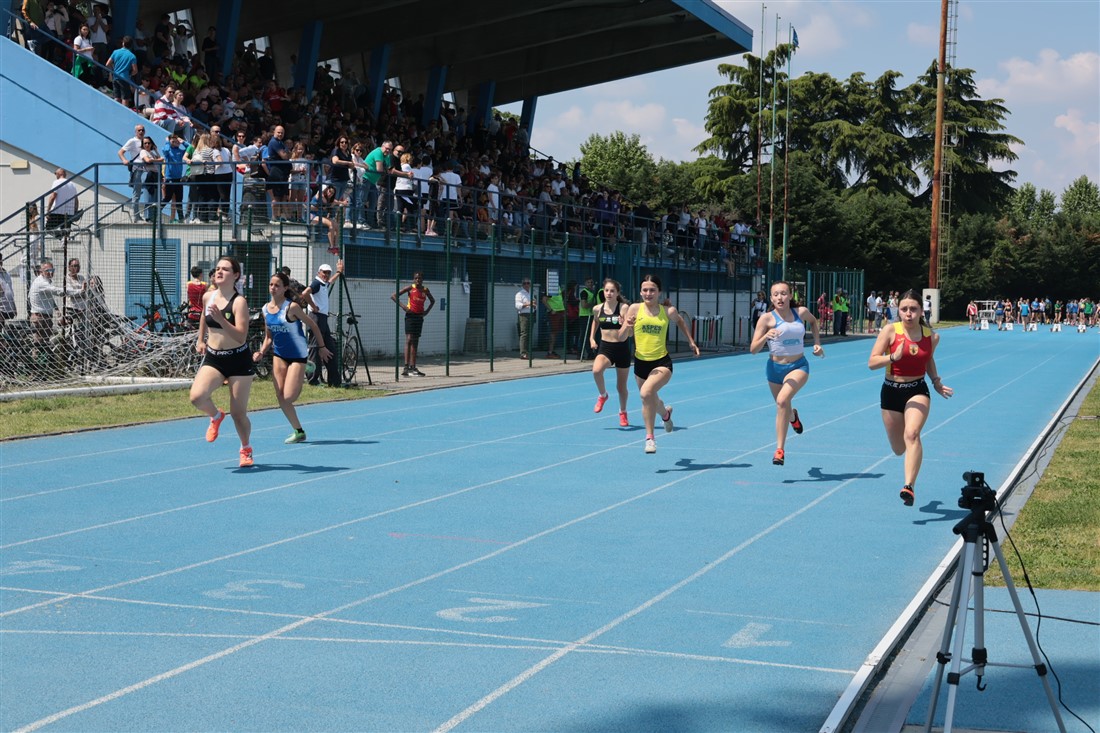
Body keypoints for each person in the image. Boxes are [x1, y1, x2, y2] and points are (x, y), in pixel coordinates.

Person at [868, 289, 953, 506]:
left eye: (913, 309)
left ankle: (909, 486)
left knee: (912, 434)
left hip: (917, 390)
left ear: (921, 311)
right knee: (899, 449)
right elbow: (872, 362)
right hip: (891, 391)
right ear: (899, 311)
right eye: (904, 309)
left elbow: (928, 359)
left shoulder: (931, 336)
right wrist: (892, 357)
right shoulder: (890, 331)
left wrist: (936, 382)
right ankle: (908, 457)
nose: (908, 313)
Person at [620, 274, 699, 454]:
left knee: (646, 393)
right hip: (640, 363)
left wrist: (691, 341)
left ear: (659, 292)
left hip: (662, 363)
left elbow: (680, 321)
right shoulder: (634, 309)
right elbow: (623, 337)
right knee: (651, 398)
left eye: (652, 290)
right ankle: (665, 414)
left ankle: (650, 438)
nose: (648, 293)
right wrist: (627, 326)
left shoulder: (667, 311)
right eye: (645, 290)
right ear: (640, 292)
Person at [189, 256, 256, 468]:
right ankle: (216, 416)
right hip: (215, 358)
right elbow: (204, 317)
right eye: (217, 268)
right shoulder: (208, 297)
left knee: (238, 414)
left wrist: (221, 320)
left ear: (235, 275)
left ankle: (245, 448)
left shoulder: (239, 302)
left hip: (238, 360)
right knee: (197, 397)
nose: (219, 272)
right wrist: (200, 339)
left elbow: (241, 336)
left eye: (225, 269)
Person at [749, 280, 824, 466]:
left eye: (783, 293)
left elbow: (813, 322)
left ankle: (780, 450)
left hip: (798, 366)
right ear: (771, 298)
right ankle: (793, 417)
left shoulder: (800, 312)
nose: (780, 298)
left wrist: (817, 344)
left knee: (782, 401)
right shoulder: (766, 319)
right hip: (774, 369)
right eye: (775, 294)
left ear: (790, 295)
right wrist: (765, 336)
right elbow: (753, 349)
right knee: (784, 406)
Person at [254, 271, 332, 444]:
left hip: (298, 355)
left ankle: (305, 366)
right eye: (271, 285)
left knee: (289, 396)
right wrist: (261, 352)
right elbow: (268, 337)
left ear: (285, 288)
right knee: (280, 396)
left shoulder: (292, 307)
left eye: (277, 285)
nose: (273, 288)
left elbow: (313, 325)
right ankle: (299, 431)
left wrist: (322, 347)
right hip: (280, 355)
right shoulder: (265, 309)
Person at [589, 278, 631, 427]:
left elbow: (630, 333)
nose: (609, 293)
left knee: (621, 387)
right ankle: (603, 395)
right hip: (606, 347)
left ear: (617, 293)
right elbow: (595, 321)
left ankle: (623, 412)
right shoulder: (597, 308)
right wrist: (592, 338)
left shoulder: (624, 308)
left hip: (622, 348)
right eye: (606, 290)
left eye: (612, 291)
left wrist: (625, 325)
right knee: (596, 370)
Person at [304, 260, 343, 387]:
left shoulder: (323, 284)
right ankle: (312, 380)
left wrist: (338, 272)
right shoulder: (316, 283)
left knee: (330, 349)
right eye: (324, 272)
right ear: (319, 273)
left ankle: (334, 381)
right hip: (316, 318)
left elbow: (330, 281)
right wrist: (313, 306)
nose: (326, 275)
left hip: (323, 320)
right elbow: (305, 293)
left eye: (328, 273)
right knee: (314, 349)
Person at [391, 272, 435, 376]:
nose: (418, 280)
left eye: (419, 278)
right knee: (409, 339)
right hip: (410, 316)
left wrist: (426, 311)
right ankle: (406, 367)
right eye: (416, 278)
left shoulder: (425, 290)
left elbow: (432, 301)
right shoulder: (410, 288)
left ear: (422, 279)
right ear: (413, 279)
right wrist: (404, 307)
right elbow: (393, 296)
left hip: (419, 317)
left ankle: (413, 367)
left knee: (415, 341)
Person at [118, 123, 146, 222]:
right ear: (135, 132)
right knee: (136, 193)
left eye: (142, 130)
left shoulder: (146, 141)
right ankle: (136, 216)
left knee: (149, 191)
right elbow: (120, 152)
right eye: (139, 130)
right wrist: (124, 160)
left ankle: (148, 216)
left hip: (147, 168)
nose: (141, 132)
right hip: (138, 168)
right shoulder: (132, 141)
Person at [309, 185, 347, 254]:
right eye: (329, 191)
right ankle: (331, 247)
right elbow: (319, 195)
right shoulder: (320, 195)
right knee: (331, 224)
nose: (330, 194)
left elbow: (335, 201)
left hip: (321, 217)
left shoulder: (329, 199)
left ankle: (335, 245)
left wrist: (343, 203)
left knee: (337, 226)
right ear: (326, 190)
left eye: (332, 193)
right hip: (314, 216)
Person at [105, 36, 139, 107]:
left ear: (123, 43)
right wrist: (130, 75)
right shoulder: (132, 56)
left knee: (116, 97)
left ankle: (115, 110)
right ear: (131, 45)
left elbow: (107, 64)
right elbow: (135, 70)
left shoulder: (115, 52)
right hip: (125, 78)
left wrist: (113, 70)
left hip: (115, 77)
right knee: (125, 98)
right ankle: (124, 112)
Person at [515, 278, 534, 359]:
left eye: (528, 283)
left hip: (531, 314)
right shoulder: (519, 294)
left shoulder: (531, 293)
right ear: (522, 285)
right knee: (524, 334)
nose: (526, 285)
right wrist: (527, 304)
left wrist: (534, 306)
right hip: (523, 315)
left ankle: (528, 351)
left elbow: (534, 303)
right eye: (525, 283)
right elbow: (517, 306)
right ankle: (523, 353)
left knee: (529, 333)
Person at [0, 252, 17, 330]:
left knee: (8, 331)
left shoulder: (6, 273)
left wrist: (14, 306)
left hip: (9, 308)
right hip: (1, 309)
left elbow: (10, 291)